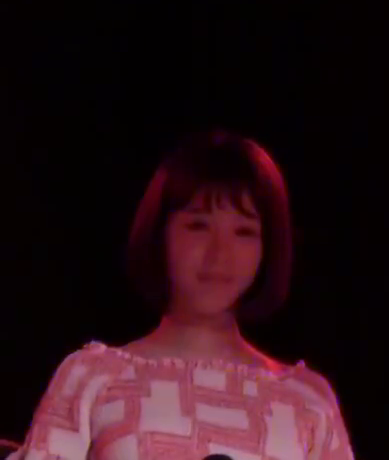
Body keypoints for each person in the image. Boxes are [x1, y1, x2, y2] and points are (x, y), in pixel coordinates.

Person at [17, 130, 355, 460]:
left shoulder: (306, 400)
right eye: (198, 226)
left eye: (244, 231)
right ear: (161, 233)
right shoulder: (94, 378)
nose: (220, 254)